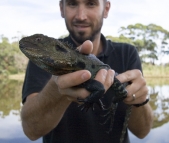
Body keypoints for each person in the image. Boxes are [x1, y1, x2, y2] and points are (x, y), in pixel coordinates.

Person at [21, 0, 153, 143]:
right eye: (72, 3)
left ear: (106, 9)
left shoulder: (127, 53)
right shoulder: (43, 55)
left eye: (91, 3)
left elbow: (142, 132)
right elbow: (31, 132)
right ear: (62, 8)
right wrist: (57, 86)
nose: (81, 16)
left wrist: (140, 100)